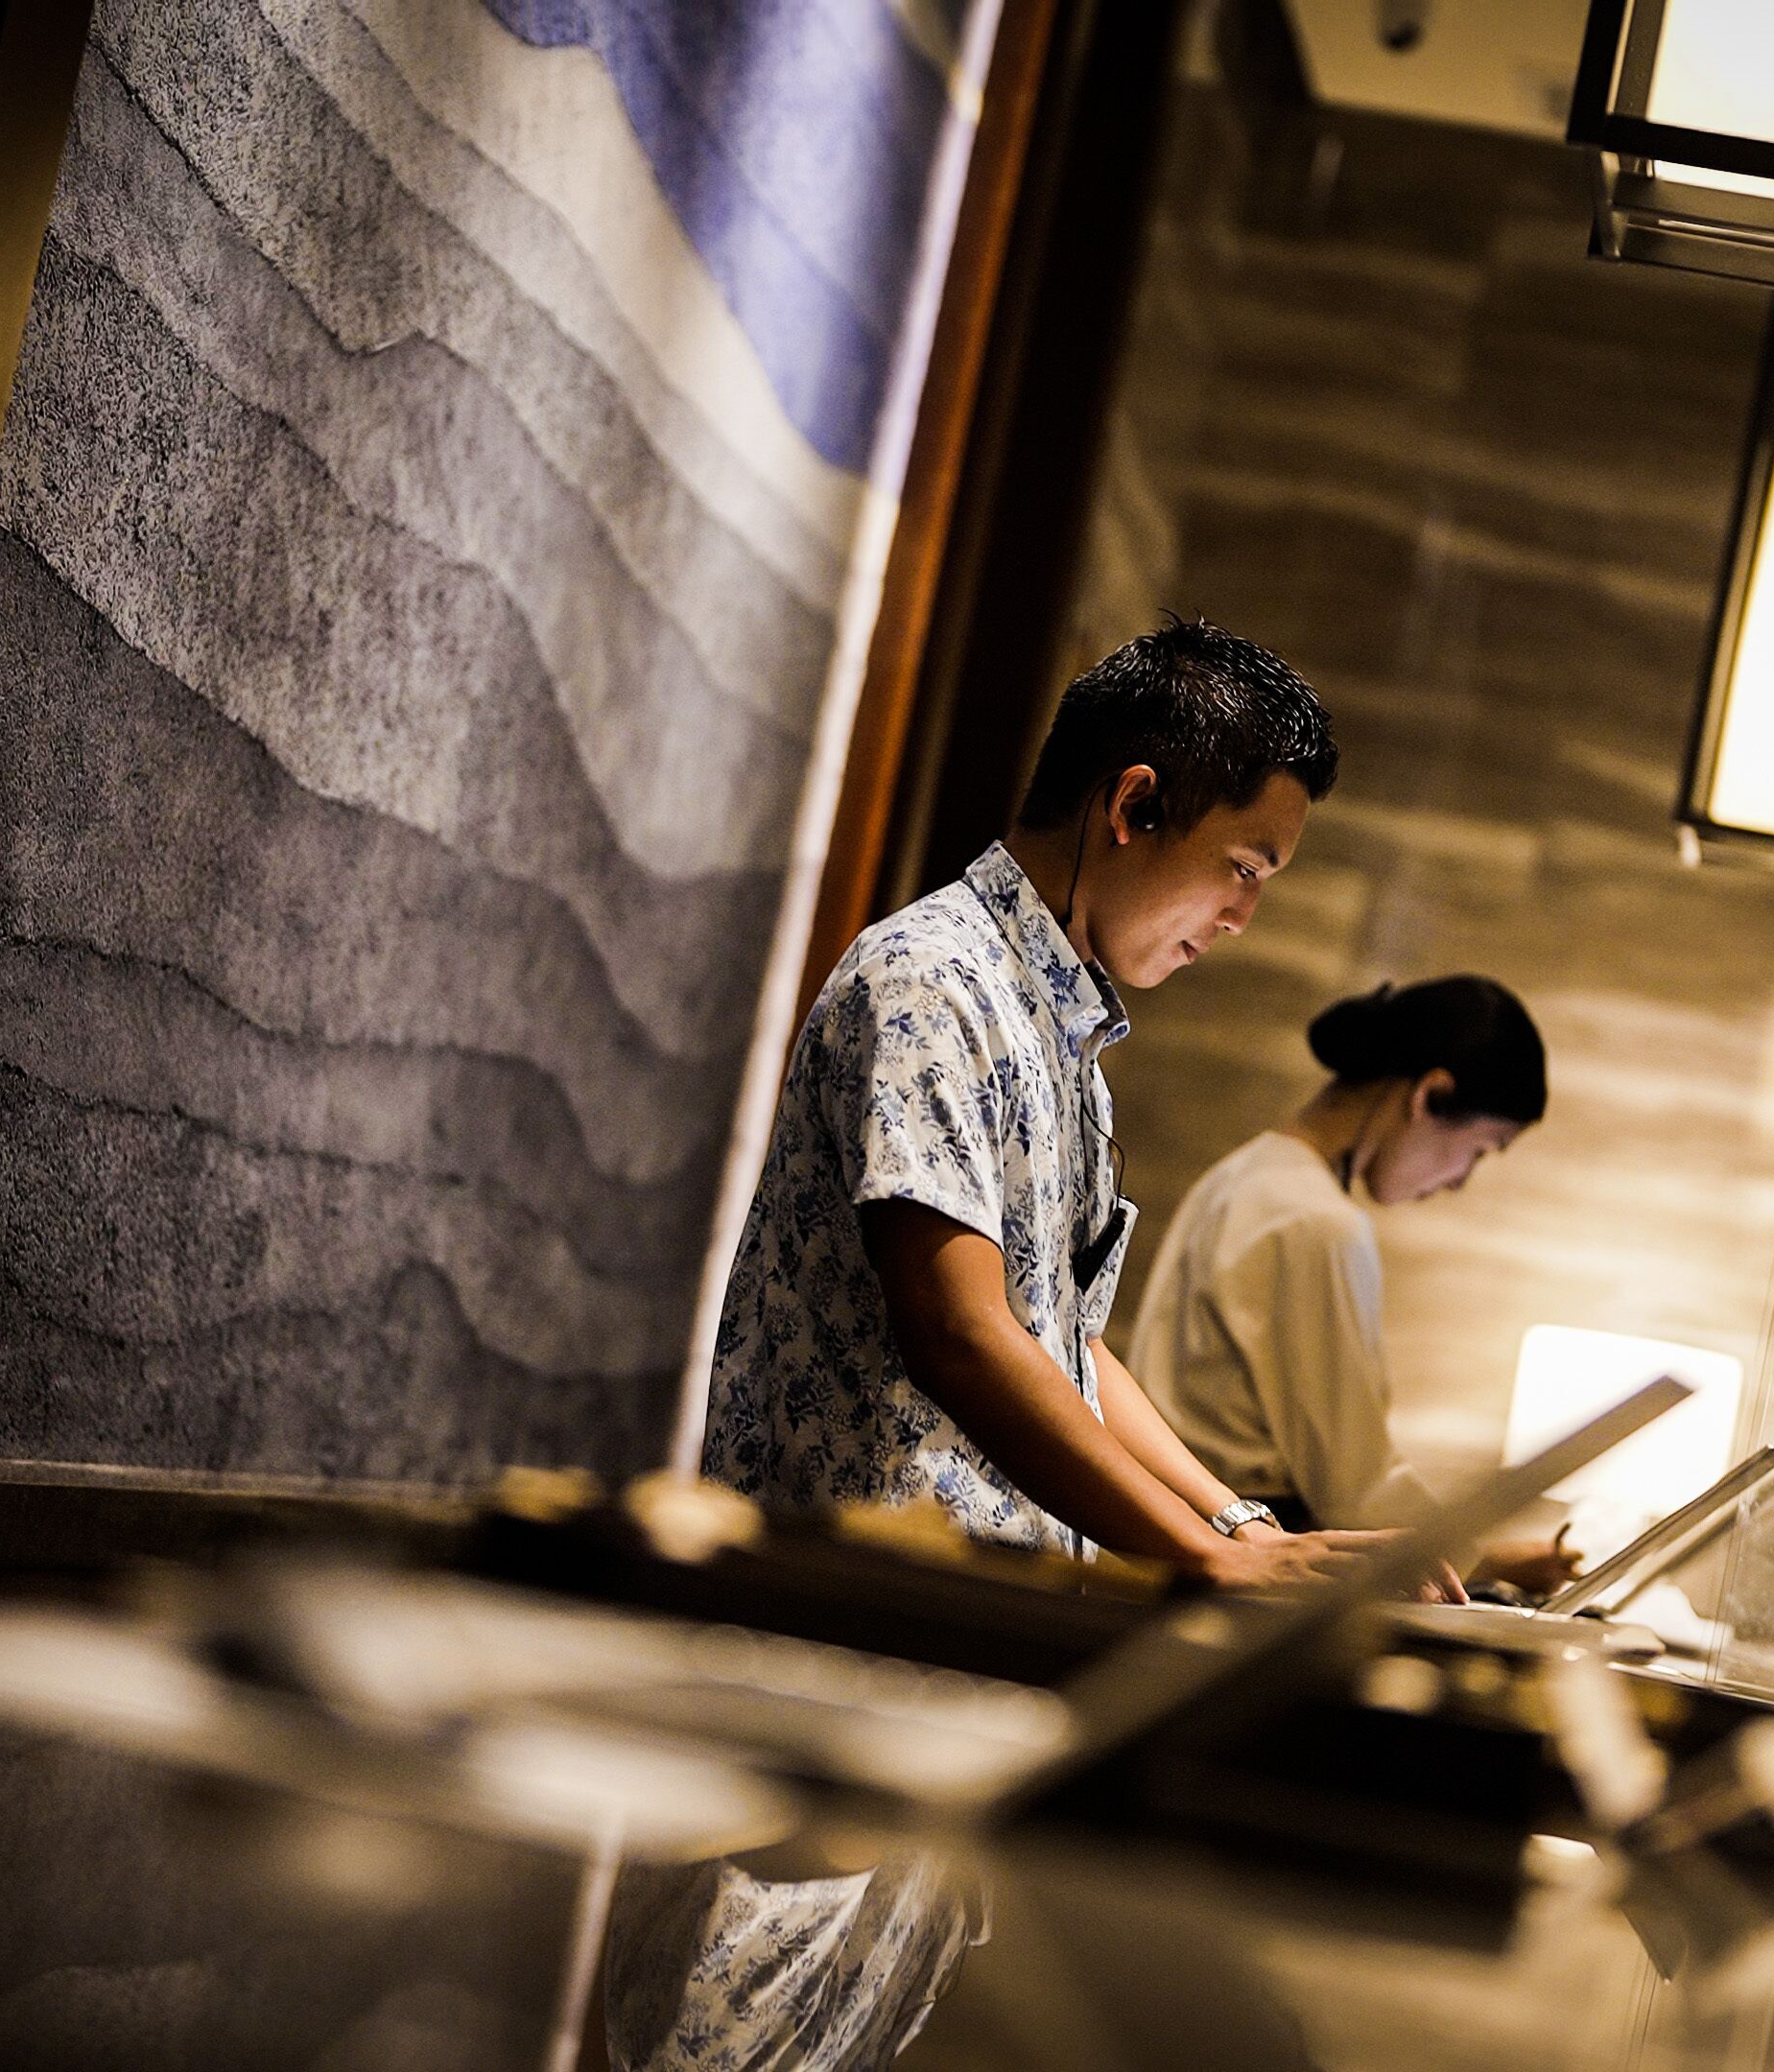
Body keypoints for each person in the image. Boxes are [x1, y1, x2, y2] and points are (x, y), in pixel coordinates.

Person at [603, 622, 1384, 2072]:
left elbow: (1066, 1343)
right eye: (1245, 868)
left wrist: (1230, 1520)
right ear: (1133, 804)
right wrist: (1207, 1562)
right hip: (821, 1692)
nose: (1243, 918)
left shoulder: (1059, 1034)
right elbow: (962, 1337)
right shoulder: (932, 982)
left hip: (940, 1709)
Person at [1134, 976, 1578, 1597]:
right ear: (1431, 1093)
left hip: (1190, 1540)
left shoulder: (1251, 1172)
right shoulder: (1315, 1219)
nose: (1458, 1183)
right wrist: (1477, 1559)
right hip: (1240, 1566)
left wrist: (1487, 1558)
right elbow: (1356, 1489)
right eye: (1479, 1150)